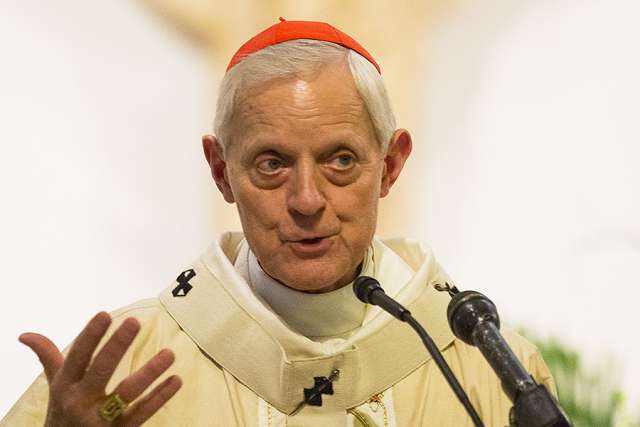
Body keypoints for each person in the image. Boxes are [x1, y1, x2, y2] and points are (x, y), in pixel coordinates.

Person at [1, 19, 556, 427]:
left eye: (341, 160)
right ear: (221, 172)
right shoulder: (119, 372)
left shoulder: (495, 366)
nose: (307, 200)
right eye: (272, 164)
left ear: (390, 165)